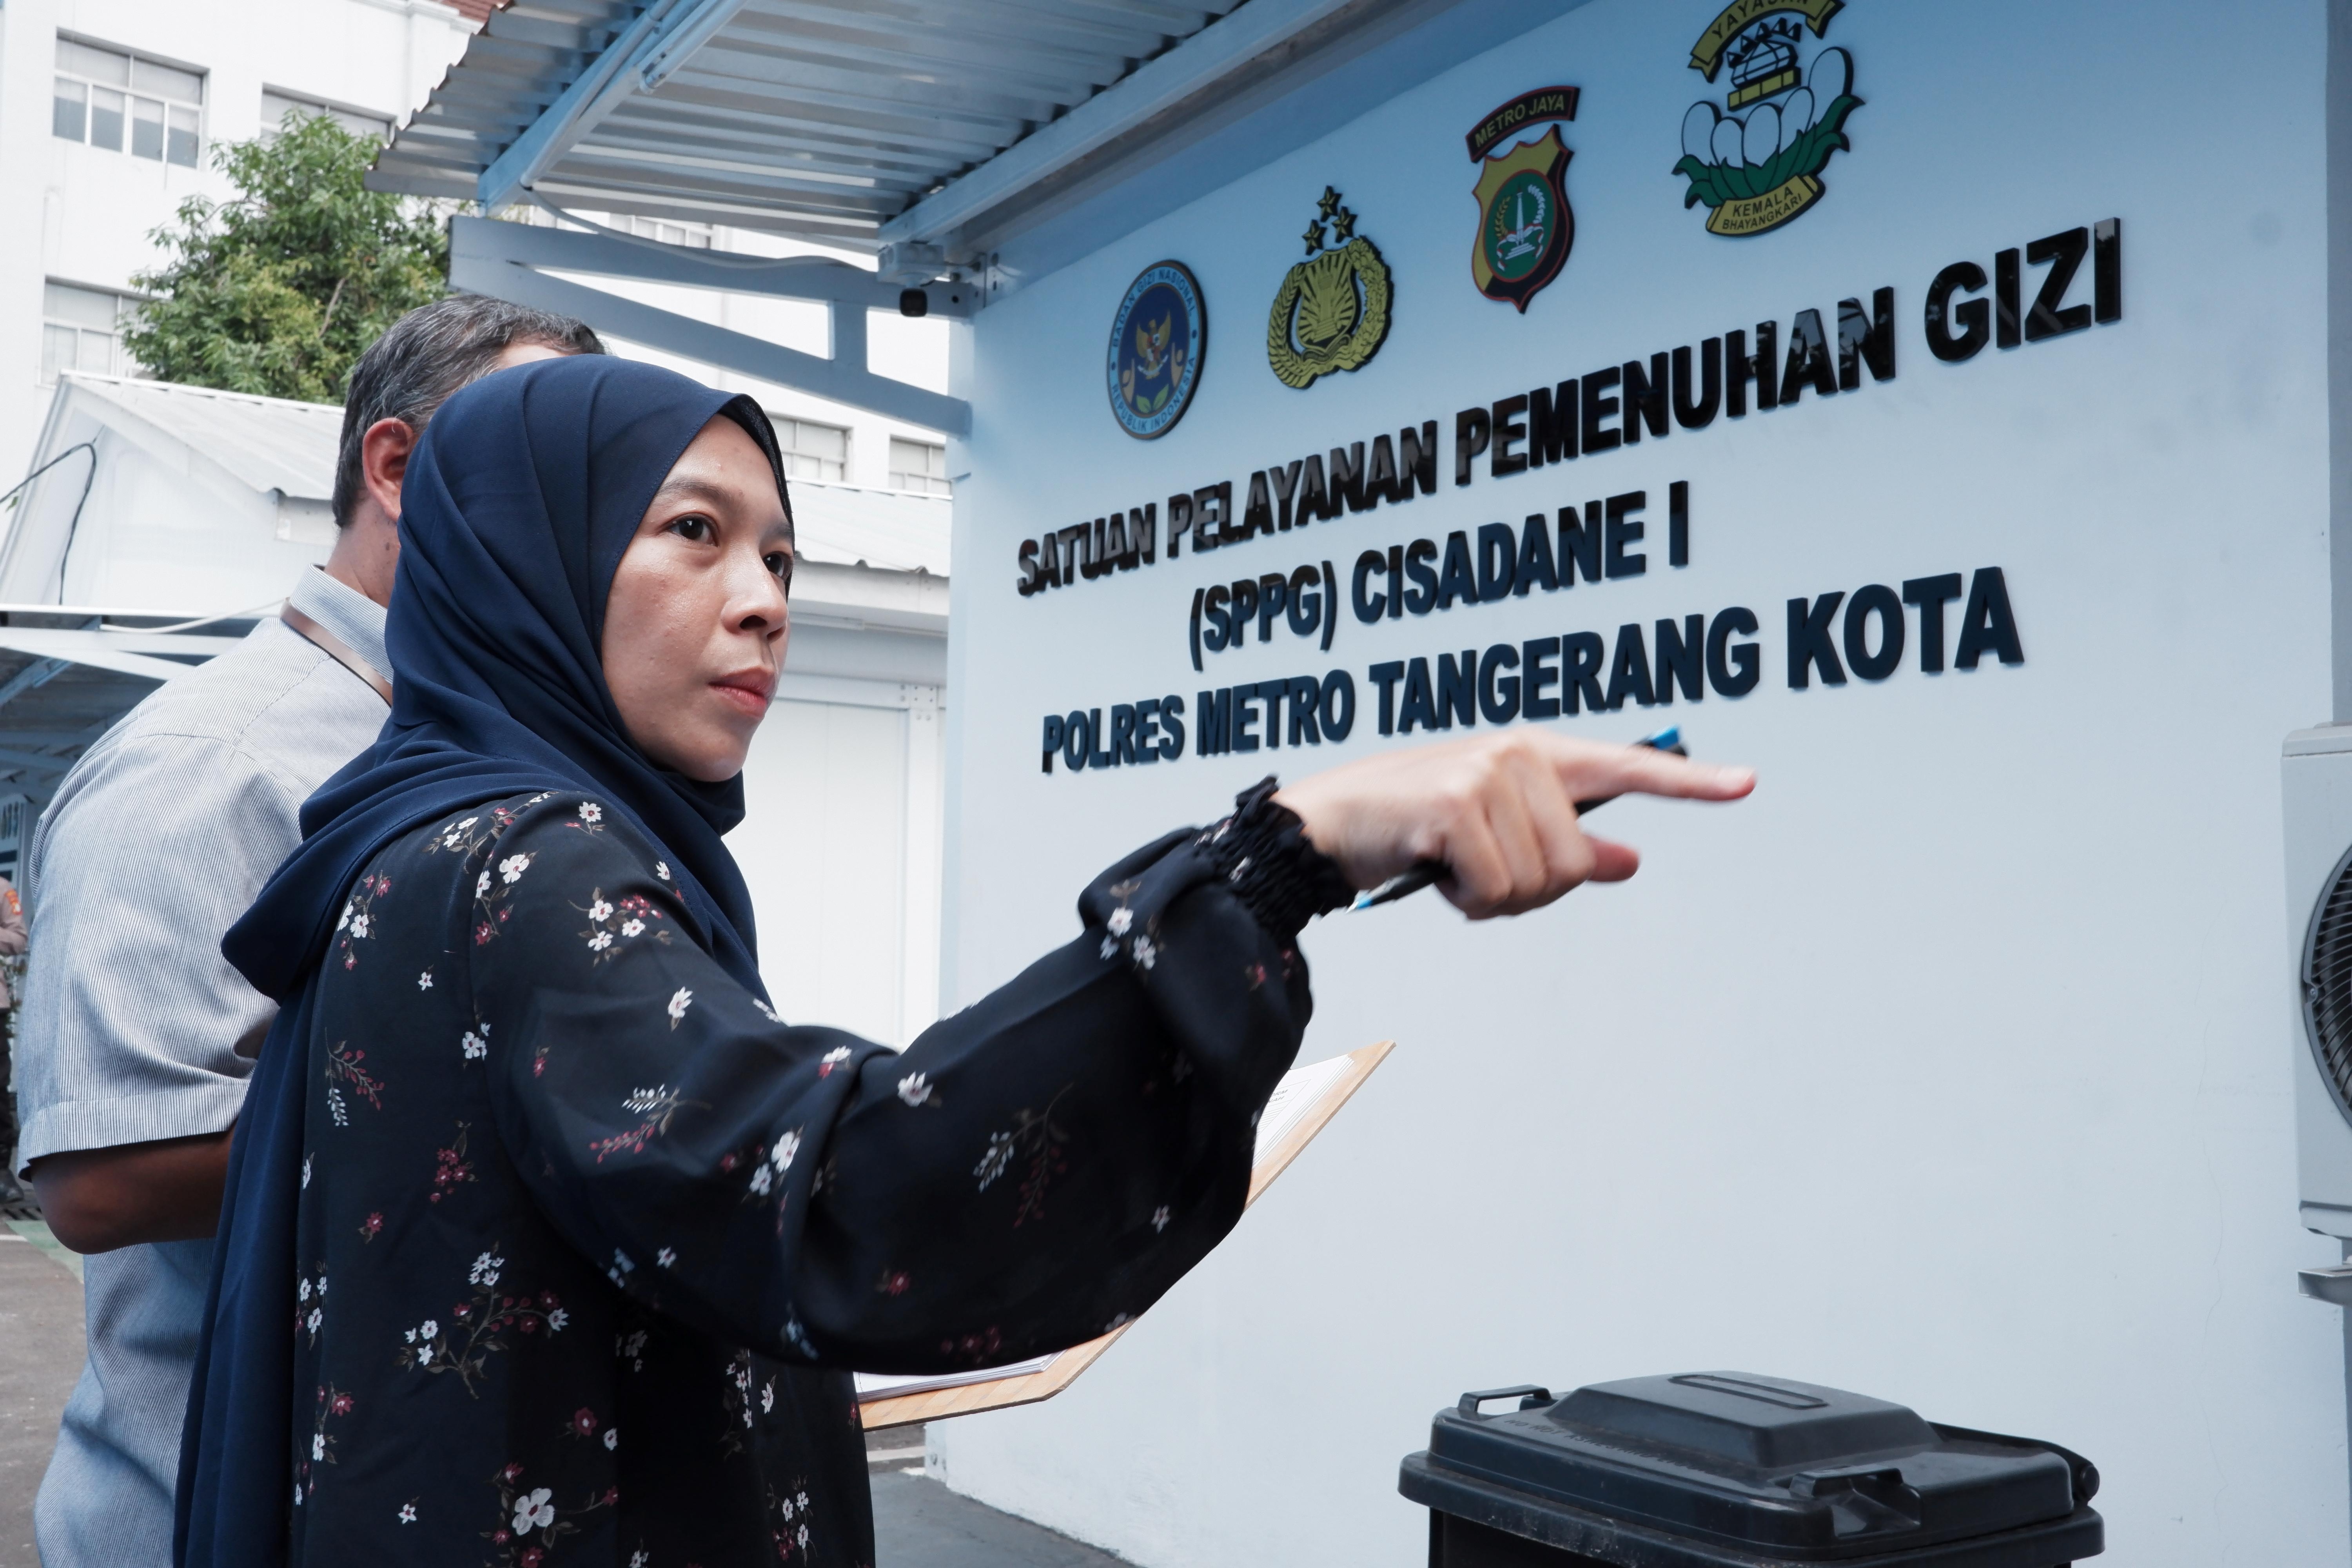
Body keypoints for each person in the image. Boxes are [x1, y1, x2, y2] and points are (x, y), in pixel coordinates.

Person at [175, 355, 1753, 1566]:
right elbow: (848, 1195)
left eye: (782, 558)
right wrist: (1283, 856)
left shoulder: (409, 844)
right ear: (528, 558)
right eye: (693, 534)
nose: (764, 602)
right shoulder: (530, 867)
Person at [13, 295, 604, 1568]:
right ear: (395, 468)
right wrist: (528, 1140)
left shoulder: (489, 757)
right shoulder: (209, 766)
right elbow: (103, 1179)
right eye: (538, 460)